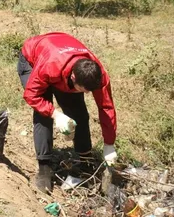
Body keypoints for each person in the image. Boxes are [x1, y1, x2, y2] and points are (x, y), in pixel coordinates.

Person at [16, 32, 118, 193]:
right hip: (33, 59)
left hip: (60, 58)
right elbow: (31, 95)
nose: (87, 94)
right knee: (43, 114)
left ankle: (85, 162)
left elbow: (106, 107)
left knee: (79, 114)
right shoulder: (49, 66)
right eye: (83, 90)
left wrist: (109, 144)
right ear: (73, 78)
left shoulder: (98, 76)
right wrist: (55, 114)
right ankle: (44, 168)